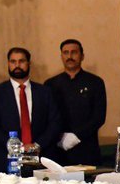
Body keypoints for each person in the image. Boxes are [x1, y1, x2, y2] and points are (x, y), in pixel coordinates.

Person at [0, 47, 63, 173]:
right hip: (5, 161)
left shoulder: (45, 92)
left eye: (21, 61)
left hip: (41, 160)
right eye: (13, 62)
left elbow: (55, 123)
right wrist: (16, 147)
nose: (17, 65)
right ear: (8, 64)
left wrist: (37, 145)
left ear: (29, 64)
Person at [45, 38, 107, 167]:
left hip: (87, 148)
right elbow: (47, 117)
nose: (70, 56)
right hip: (58, 149)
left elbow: (99, 117)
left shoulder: (95, 82)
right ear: (61, 56)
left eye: (74, 52)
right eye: (66, 52)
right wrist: (59, 137)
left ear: (82, 56)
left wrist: (77, 135)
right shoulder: (50, 84)